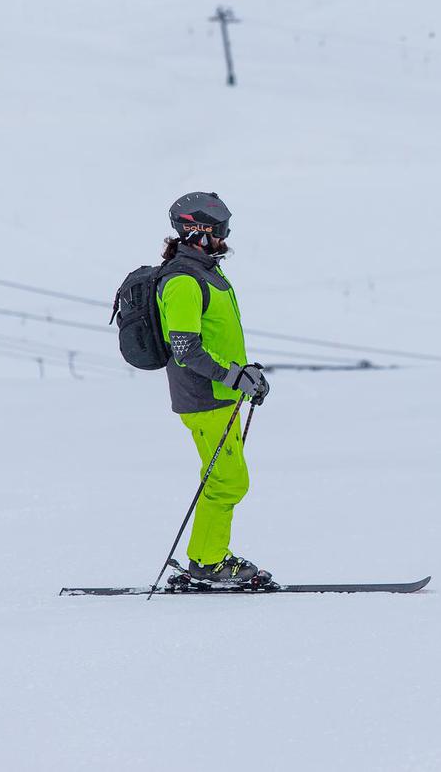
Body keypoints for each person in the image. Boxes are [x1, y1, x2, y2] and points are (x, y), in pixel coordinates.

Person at [156, 191, 272, 585]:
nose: (225, 237)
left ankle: (207, 558)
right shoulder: (182, 281)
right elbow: (186, 350)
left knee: (226, 478)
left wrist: (245, 373)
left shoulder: (206, 273)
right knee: (226, 481)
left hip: (222, 395)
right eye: (220, 229)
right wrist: (234, 377)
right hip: (204, 398)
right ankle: (207, 563)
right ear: (199, 232)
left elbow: (217, 339)